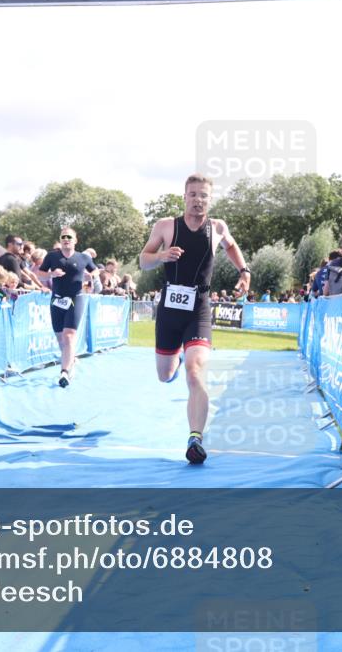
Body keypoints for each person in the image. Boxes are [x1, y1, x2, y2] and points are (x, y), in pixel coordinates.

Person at [139, 172, 250, 464]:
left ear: (210, 200)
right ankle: (175, 361)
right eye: (193, 195)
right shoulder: (166, 226)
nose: (198, 200)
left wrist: (244, 271)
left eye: (204, 196)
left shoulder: (217, 227)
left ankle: (195, 438)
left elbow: (231, 246)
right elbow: (143, 259)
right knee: (165, 375)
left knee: (196, 369)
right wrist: (161, 256)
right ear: (184, 197)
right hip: (169, 308)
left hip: (199, 306)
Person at [40, 227, 98, 388]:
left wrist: (91, 276)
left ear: (75, 240)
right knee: (61, 338)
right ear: (60, 240)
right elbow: (40, 273)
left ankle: (64, 372)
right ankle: (71, 359)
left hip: (76, 298)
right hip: (57, 299)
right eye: (63, 237)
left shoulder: (83, 257)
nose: (66, 239)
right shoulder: (52, 256)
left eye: (69, 237)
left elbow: (95, 270)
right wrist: (51, 274)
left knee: (69, 336)